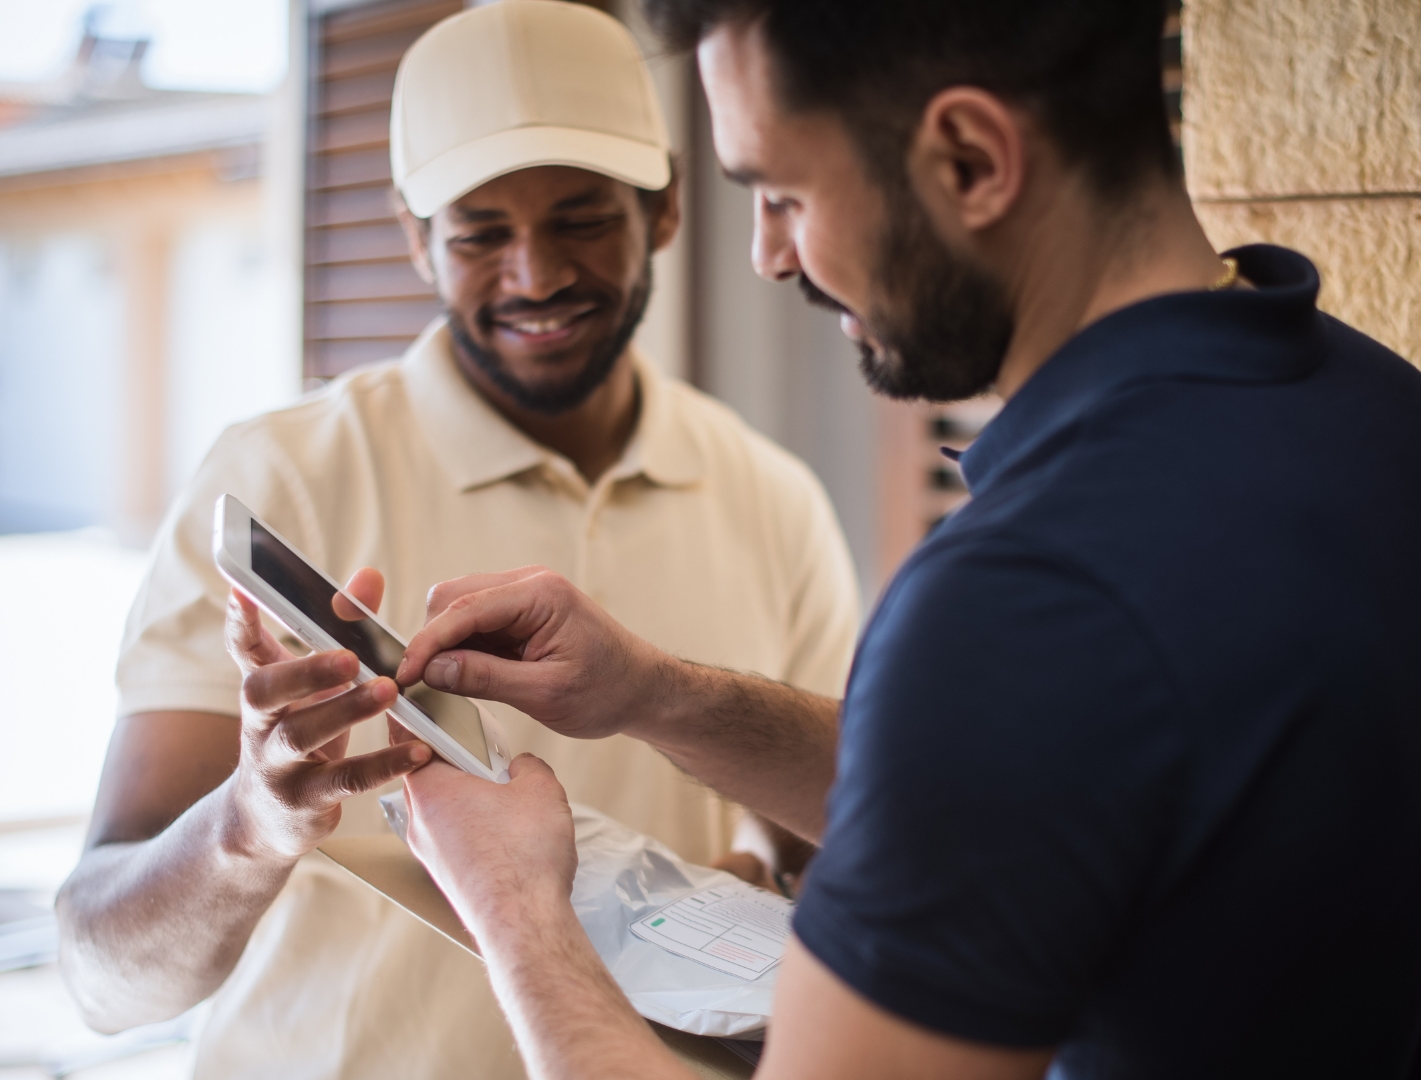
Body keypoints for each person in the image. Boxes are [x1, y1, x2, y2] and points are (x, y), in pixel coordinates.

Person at [290, 1, 1421, 1077]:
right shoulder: (1391, 424)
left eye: (780, 193)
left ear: (970, 160)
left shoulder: (1028, 597)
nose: (772, 257)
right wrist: (655, 695)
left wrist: (516, 907)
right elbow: (1051, 782)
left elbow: (1018, 713)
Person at [53, 4, 861, 1078]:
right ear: (412, 232)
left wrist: (755, 862)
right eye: (481, 231)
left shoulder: (774, 498)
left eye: (580, 220)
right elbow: (102, 977)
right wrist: (247, 825)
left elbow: (843, 829)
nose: (534, 275)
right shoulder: (282, 475)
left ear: (664, 210)